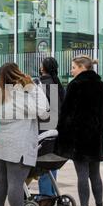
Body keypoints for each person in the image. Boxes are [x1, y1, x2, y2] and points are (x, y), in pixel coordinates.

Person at [0, 63, 50, 206]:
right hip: (18, 143)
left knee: (0, 180)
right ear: (18, 73)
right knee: (16, 183)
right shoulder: (22, 92)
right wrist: (34, 88)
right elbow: (43, 111)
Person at [55, 55, 103, 206]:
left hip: (79, 139)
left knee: (82, 176)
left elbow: (65, 114)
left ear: (81, 67)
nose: (71, 70)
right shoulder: (102, 86)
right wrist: (99, 127)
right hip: (96, 138)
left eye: (73, 67)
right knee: (95, 174)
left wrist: (63, 132)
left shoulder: (75, 85)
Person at [36, 57, 66, 196]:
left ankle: (46, 196)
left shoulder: (39, 84)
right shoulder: (58, 85)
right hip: (57, 128)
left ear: (43, 68)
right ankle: (52, 193)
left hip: (43, 128)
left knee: (42, 163)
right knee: (52, 162)